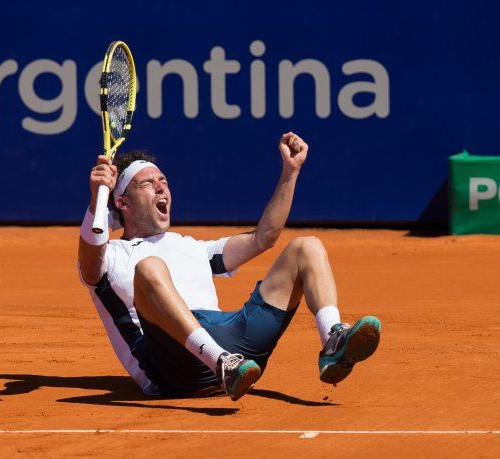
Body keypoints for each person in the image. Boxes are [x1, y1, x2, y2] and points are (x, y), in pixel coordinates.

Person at [78, 132, 381, 401]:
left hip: (235, 343)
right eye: (148, 184)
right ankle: (221, 363)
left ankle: (333, 343)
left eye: (164, 182)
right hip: (172, 363)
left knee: (307, 247)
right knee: (149, 267)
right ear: (123, 204)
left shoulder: (192, 246)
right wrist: (96, 201)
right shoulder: (111, 254)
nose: (161, 189)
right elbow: (91, 265)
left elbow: (264, 237)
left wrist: (290, 172)